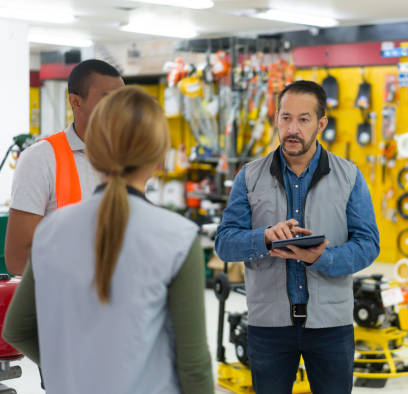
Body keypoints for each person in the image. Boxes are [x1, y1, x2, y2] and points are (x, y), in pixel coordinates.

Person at [2, 87, 214, 394]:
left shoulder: (51, 232)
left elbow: (18, 328)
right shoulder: (178, 238)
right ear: (158, 158)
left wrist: (69, 365)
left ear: (96, 152)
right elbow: (193, 365)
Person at [215, 80, 379, 393]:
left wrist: (323, 258)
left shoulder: (349, 176)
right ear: (275, 118)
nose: (293, 128)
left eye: (303, 120)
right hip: (268, 324)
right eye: (285, 118)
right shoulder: (248, 177)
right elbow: (225, 243)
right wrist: (262, 238)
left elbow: (368, 244)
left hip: (331, 324)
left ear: (321, 123)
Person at [4, 59, 124, 276]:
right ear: (76, 102)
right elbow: (18, 257)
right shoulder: (40, 159)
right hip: (64, 302)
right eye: (107, 100)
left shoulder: (129, 157)